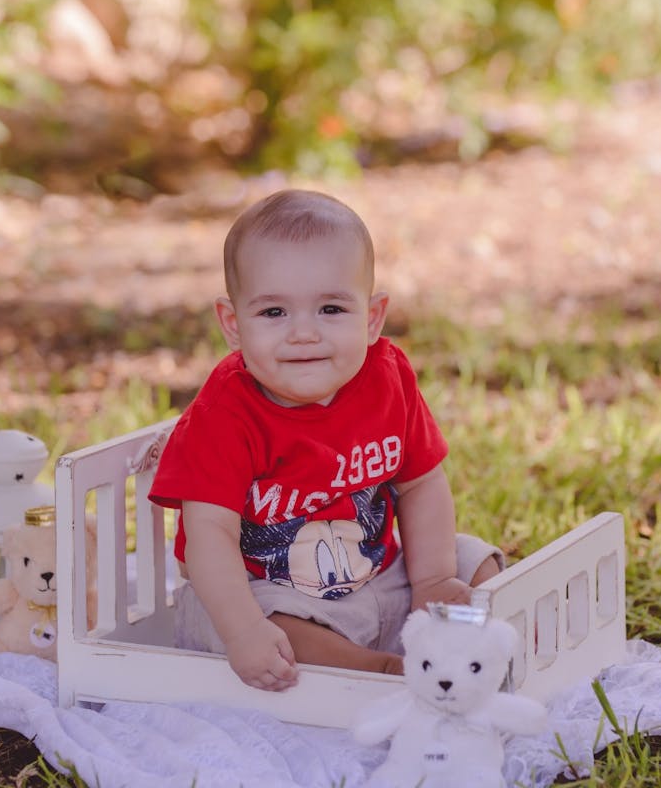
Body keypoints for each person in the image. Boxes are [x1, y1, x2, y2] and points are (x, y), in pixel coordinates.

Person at [149, 189, 502, 692]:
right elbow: (209, 536)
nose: (304, 334)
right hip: (269, 595)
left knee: (471, 559)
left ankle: (492, 643)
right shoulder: (224, 413)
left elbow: (422, 484)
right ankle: (375, 672)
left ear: (372, 317)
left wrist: (430, 580)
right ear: (233, 325)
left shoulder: (387, 377)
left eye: (331, 309)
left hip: (379, 573)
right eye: (274, 313)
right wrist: (245, 630)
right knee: (273, 623)